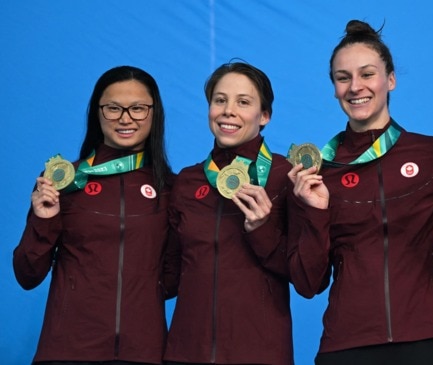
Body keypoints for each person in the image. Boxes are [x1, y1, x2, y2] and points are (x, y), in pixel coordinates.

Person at [287, 20, 433, 365]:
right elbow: (308, 283)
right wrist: (317, 212)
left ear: (390, 79)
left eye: (367, 74)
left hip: (425, 342)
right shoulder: (316, 174)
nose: (355, 87)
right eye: (342, 77)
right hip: (346, 346)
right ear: (333, 87)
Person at [13, 65, 177, 364]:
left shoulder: (170, 188)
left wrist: (141, 294)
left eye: (138, 108)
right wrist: (43, 221)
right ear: (97, 112)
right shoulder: (62, 181)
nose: (125, 118)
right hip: (67, 351)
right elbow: (27, 274)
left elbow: (173, 277)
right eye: (113, 108)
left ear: (154, 113)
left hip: (144, 352)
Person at [163, 62, 293, 365]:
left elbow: (307, 277)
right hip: (186, 353)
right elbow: (167, 276)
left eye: (243, 102)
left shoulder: (286, 176)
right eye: (220, 100)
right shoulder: (186, 182)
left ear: (264, 116)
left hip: (261, 353)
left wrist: (261, 229)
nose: (228, 111)